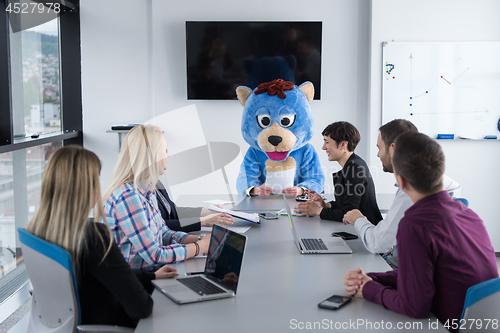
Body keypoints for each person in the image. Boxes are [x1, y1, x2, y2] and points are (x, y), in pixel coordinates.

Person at [343, 132, 498, 330]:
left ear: (401, 181)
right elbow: (423, 275)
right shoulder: (469, 214)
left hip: (447, 325)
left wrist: (368, 290)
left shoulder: (415, 225)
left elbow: (415, 307)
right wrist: (374, 278)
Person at [26, 146, 179, 328]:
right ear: (86, 187)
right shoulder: (93, 236)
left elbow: (105, 274)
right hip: (107, 326)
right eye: (97, 179)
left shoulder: (38, 231)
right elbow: (141, 307)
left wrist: (151, 276)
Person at [103, 125, 232, 270]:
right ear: (151, 155)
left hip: (153, 273)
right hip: (135, 281)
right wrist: (200, 247)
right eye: (165, 150)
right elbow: (155, 256)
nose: (168, 156)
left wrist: (205, 241)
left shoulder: (148, 189)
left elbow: (164, 234)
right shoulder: (128, 197)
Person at [342, 119, 461, 268]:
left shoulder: (413, 190)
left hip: (402, 269)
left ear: (393, 149)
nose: (378, 154)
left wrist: (358, 219)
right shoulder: (443, 182)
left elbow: (377, 244)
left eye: (379, 148)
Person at [294, 121, 382, 224]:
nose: (323, 147)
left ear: (343, 145)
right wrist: (324, 205)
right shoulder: (353, 165)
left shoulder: (355, 168)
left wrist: (318, 211)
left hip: (367, 232)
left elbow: (349, 213)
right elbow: (347, 204)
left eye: (327, 142)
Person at [156, 180, 234, 232]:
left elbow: (174, 212)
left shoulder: (156, 183)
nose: (167, 156)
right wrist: (203, 221)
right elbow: (159, 226)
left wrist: (204, 211)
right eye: (165, 153)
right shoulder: (145, 192)